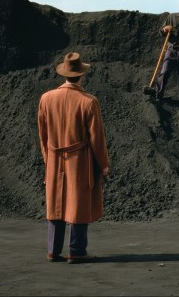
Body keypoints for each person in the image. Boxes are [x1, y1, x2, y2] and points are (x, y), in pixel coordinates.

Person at [37, 52, 111, 263]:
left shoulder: (46, 98)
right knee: (77, 202)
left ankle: (53, 250)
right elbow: (97, 138)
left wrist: (48, 157)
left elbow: (42, 135)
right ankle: (76, 251)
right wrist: (104, 165)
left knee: (56, 203)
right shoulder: (89, 101)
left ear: (64, 74)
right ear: (81, 75)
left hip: (54, 157)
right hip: (79, 160)